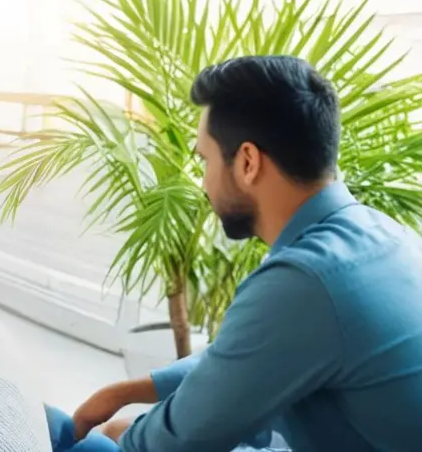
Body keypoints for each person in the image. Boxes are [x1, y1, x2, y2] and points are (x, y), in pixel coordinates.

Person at [56, 56, 422, 452]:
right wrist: (133, 390)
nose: (203, 182)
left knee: (91, 444)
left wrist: (118, 435)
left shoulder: (305, 281)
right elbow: (246, 356)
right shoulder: (379, 234)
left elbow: (169, 444)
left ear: (248, 162)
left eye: (205, 160)